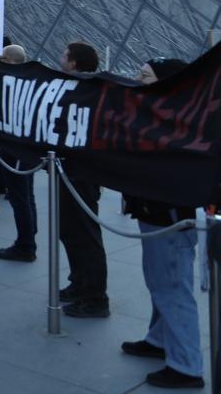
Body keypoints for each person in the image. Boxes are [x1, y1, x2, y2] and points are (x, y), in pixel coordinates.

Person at [120, 58, 203, 389]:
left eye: (145, 75)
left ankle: (186, 366)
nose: (137, 79)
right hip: (155, 212)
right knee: (160, 282)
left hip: (168, 217)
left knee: (172, 287)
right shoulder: (162, 115)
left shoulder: (176, 123)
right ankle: (159, 339)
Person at [57, 41, 110, 318]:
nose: (61, 58)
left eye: (64, 55)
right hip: (69, 168)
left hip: (83, 171)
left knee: (84, 234)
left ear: (74, 63)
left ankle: (95, 297)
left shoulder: (88, 91)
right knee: (69, 230)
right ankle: (79, 283)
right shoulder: (77, 88)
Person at [0, 45, 40, 263]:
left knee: (19, 197)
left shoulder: (12, 85)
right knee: (27, 195)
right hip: (26, 148)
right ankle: (30, 232)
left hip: (16, 148)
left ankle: (26, 245)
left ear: (11, 61)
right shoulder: (29, 82)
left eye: (2, 58)